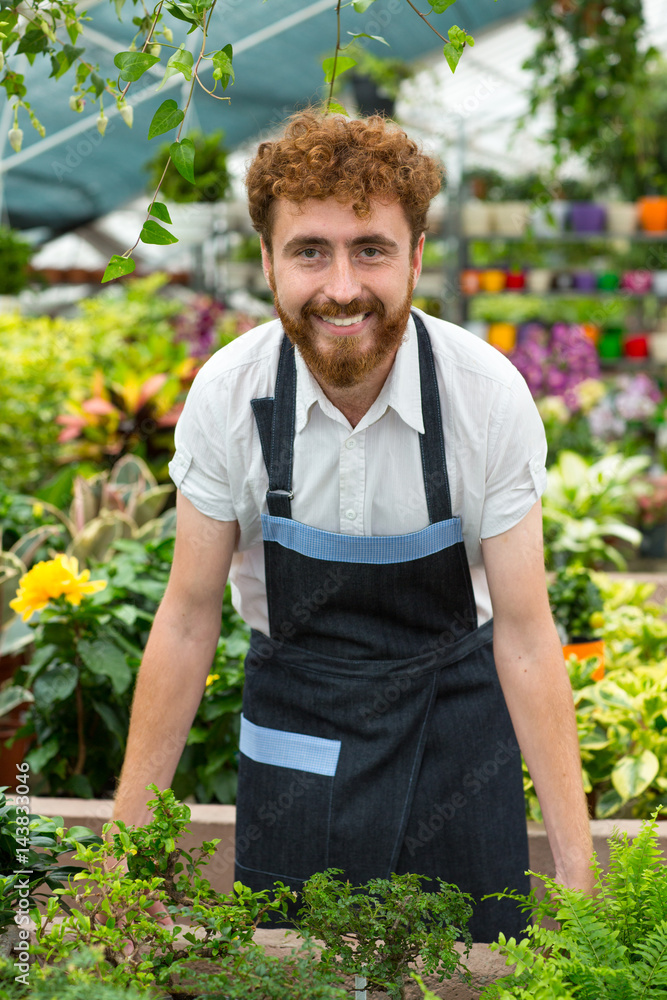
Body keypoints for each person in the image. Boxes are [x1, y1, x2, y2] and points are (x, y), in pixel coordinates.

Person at [112, 111, 593, 941]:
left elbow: (522, 633)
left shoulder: (484, 398)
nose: (341, 287)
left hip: (457, 736)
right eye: (310, 251)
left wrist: (582, 883)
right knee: (287, 971)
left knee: (476, 975)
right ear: (267, 263)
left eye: (370, 247)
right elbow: (187, 620)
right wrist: (121, 866)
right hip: (300, 736)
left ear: (414, 257)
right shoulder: (229, 398)